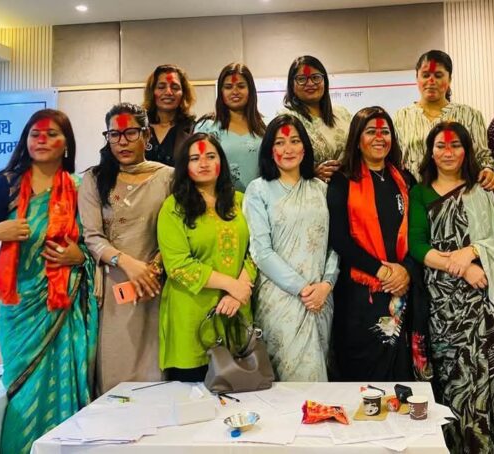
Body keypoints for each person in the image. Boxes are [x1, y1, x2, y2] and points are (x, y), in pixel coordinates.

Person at [0, 109, 97, 454]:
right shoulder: (4, 185)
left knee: (68, 389)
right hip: (21, 311)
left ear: (66, 144)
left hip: (66, 310)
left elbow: (96, 244)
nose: (42, 140)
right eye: (35, 134)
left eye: (52, 134)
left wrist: (78, 256)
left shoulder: (81, 188)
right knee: (22, 399)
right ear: (25, 140)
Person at [408, 122, 494, 453]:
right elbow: (416, 245)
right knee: (451, 384)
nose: (448, 152)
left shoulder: (483, 189)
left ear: (467, 150)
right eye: (441, 146)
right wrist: (459, 267)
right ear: (430, 152)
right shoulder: (420, 192)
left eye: (455, 145)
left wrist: (471, 252)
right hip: (442, 308)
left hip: (482, 304)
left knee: (483, 383)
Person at [79, 103, 173, 393]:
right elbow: (92, 237)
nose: (122, 141)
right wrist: (128, 264)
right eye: (114, 134)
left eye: (130, 133)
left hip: (157, 283)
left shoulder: (168, 177)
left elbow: (178, 230)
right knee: (115, 373)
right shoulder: (94, 179)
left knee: (156, 376)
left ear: (146, 135)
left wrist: (154, 267)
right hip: (114, 285)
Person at [243, 115, 339, 381]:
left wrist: (326, 284)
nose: (288, 149)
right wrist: (303, 289)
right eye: (280, 143)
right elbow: (261, 252)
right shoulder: (258, 190)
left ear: (305, 147)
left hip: (321, 299)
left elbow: (335, 244)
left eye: (295, 141)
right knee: (297, 381)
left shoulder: (321, 189)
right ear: (269, 149)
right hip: (281, 299)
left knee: (320, 374)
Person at [326, 106, 417, 381]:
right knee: (363, 374)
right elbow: (339, 238)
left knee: (399, 372)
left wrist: (406, 271)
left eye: (385, 132)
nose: (379, 138)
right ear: (357, 139)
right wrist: (381, 270)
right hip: (359, 294)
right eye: (371, 132)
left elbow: (417, 233)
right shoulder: (342, 181)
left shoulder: (405, 180)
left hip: (401, 289)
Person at [157, 133, 256, 382]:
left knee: (239, 389)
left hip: (236, 310)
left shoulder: (241, 202)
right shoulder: (173, 208)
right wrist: (231, 285)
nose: (203, 163)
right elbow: (177, 265)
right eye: (194, 158)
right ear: (184, 166)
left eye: (211, 156)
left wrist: (239, 289)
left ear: (221, 161)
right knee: (193, 395)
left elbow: (256, 250)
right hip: (191, 313)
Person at [394, 49, 494, 190]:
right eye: (425, 75)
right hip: (414, 194)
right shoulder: (401, 117)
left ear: (449, 79)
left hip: (461, 193)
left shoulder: (471, 115)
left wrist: (488, 170)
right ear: (417, 78)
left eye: (438, 76)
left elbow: (483, 157)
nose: (431, 81)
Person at [279, 55, 352, 182]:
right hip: (307, 189)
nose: (310, 83)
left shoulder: (342, 113)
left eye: (316, 77)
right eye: (302, 79)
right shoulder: (286, 118)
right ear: (292, 85)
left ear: (325, 81)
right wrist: (311, 173)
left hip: (348, 187)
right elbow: (279, 160)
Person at [195, 63, 266, 192]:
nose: (235, 92)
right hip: (218, 199)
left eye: (241, 86)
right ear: (221, 91)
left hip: (258, 199)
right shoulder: (206, 128)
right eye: (228, 87)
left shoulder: (265, 128)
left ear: (250, 90)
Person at [143, 63, 196, 166]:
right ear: (152, 92)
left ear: (183, 93)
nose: (168, 92)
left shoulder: (193, 130)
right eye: (161, 87)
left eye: (175, 88)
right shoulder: (139, 128)